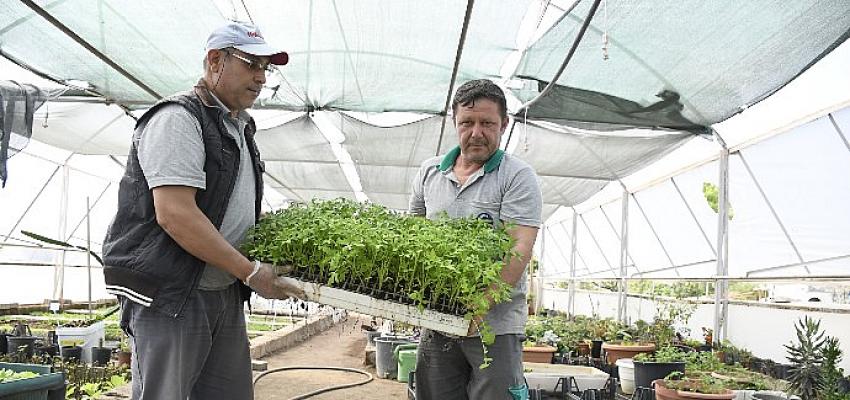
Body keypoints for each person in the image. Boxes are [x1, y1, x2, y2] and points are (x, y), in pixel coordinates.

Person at [102, 21, 304, 400]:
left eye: (266, 68)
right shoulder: (179, 119)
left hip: (221, 288)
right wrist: (251, 272)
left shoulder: (239, 126)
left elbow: (226, 207)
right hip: (174, 293)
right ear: (215, 61)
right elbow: (175, 214)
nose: (261, 78)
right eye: (251, 64)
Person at [408, 79, 543, 400]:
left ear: (504, 124)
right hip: (438, 319)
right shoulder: (429, 172)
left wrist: (478, 307)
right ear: (454, 122)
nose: (476, 133)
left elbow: (519, 248)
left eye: (487, 123)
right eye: (467, 123)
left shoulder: (517, 176)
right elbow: (412, 235)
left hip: (495, 326)